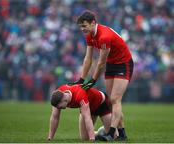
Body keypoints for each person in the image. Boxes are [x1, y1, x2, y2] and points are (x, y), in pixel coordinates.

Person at [71, 10, 134, 141]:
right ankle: (122, 134)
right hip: (112, 64)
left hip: (124, 64)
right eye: (81, 27)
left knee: (116, 99)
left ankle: (111, 134)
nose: (83, 29)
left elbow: (100, 63)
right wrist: (82, 79)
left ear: (93, 23)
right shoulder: (90, 35)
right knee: (111, 100)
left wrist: (92, 81)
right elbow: (88, 58)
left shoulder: (103, 36)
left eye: (84, 26)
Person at [47, 84, 111, 141]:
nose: (58, 109)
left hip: (102, 104)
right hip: (87, 107)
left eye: (59, 107)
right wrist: (50, 137)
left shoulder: (79, 95)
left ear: (64, 100)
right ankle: (101, 131)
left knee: (112, 135)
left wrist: (92, 138)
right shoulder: (58, 95)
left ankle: (112, 129)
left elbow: (87, 118)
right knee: (85, 138)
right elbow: (54, 117)